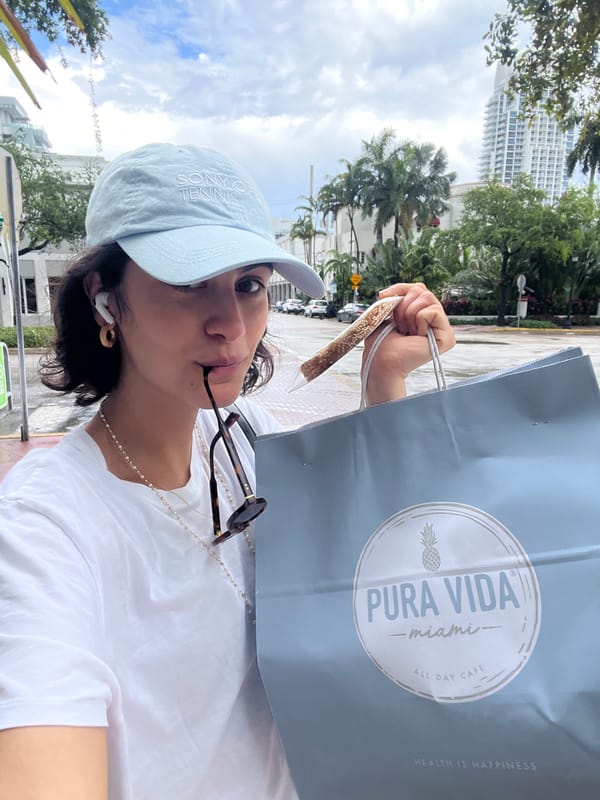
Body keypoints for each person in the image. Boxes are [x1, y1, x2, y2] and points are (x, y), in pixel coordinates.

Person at [0, 143, 455, 799]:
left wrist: (384, 380)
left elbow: (374, 551)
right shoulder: (45, 530)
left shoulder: (247, 441)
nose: (232, 327)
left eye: (249, 285)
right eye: (188, 284)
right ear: (105, 302)